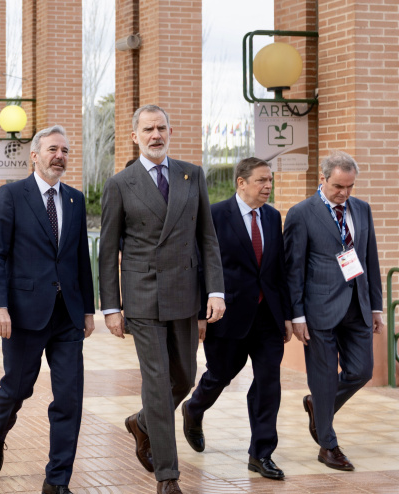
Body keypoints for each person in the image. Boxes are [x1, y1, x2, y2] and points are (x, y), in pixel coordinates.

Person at [98, 104, 225, 494]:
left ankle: (141, 421)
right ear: (135, 136)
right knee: (156, 382)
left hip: (185, 295)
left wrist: (215, 290)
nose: (156, 135)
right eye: (148, 129)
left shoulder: (192, 174)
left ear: (170, 132)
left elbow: (207, 237)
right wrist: (111, 306)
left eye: (162, 128)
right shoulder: (121, 183)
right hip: (143, 296)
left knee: (184, 377)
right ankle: (167, 476)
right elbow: (106, 250)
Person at [0, 125, 95, 494]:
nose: (59, 156)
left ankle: (57, 480)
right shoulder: (12, 195)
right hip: (24, 314)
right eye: (52, 149)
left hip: (67, 317)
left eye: (64, 150)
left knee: (69, 397)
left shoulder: (75, 200)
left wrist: (88, 310)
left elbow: (81, 259)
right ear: (35, 155)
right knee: (17, 388)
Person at [181, 157, 293, 480]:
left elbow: (277, 270)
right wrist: (201, 313)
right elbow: (200, 265)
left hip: (268, 316)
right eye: (261, 181)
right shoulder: (215, 215)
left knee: (269, 382)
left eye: (269, 180)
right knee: (220, 374)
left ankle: (261, 453)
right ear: (240, 183)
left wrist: (284, 314)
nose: (267, 186)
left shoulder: (273, 217)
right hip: (227, 315)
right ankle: (194, 408)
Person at [283, 151, 383, 471]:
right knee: (324, 380)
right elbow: (293, 268)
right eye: (339, 186)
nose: (344, 193)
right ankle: (328, 445)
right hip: (318, 309)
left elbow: (371, 260)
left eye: (350, 186)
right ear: (322, 179)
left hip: (358, 305)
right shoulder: (301, 213)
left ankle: (319, 406)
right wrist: (296, 315)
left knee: (361, 371)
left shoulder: (362, 209)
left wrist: (376, 307)